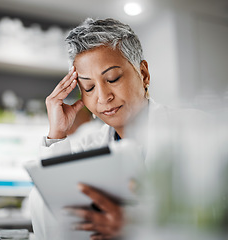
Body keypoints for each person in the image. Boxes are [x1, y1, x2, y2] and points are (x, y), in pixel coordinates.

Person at [29, 18, 203, 240]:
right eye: (89, 87)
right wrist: (57, 133)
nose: (103, 97)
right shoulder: (88, 144)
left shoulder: (196, 130)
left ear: (144, 74)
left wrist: (139, 229)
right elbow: (49, 213)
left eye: (113, 78)